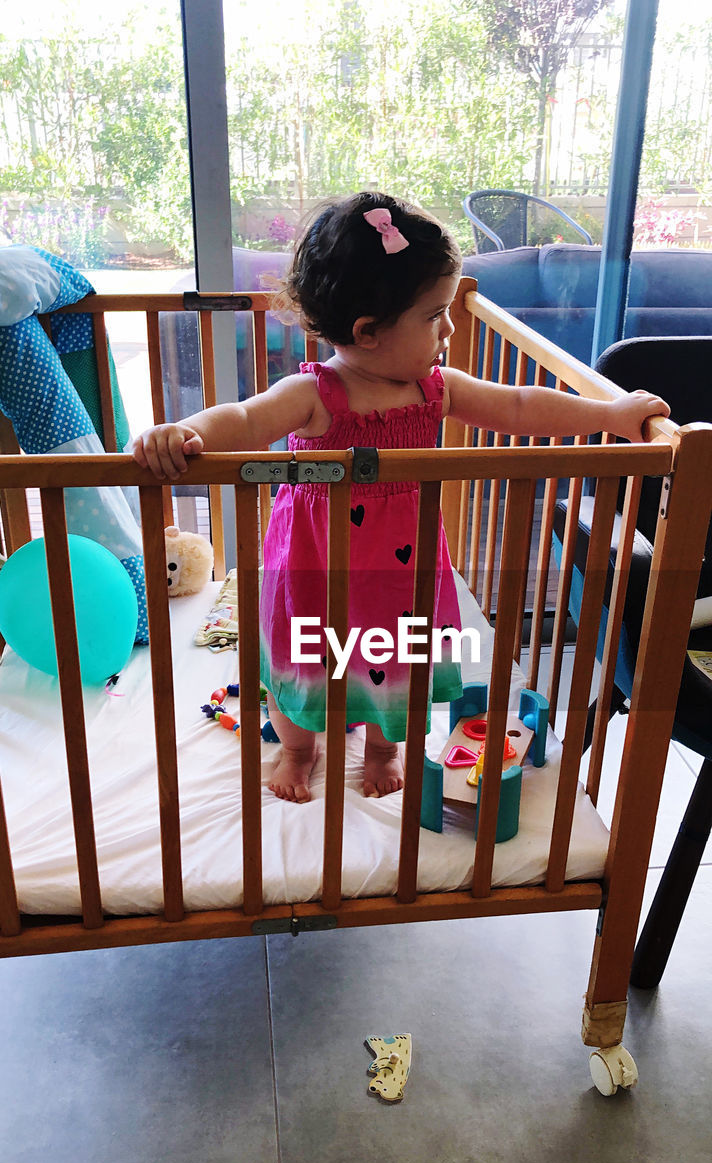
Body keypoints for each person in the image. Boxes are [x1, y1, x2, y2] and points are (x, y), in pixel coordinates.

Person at [133, 191, 669, 804]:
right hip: (316, 570)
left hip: (404, 573)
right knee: (303, 660)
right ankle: (298, 748)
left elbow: (521, 405)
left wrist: (610, 413)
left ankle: (385, 747)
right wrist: (184, 433)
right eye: (435, 314)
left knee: (401, 659)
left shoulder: (434, 389)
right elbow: (241, 417)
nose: (451, 327)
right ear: (368, 332)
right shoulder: (314, 394)